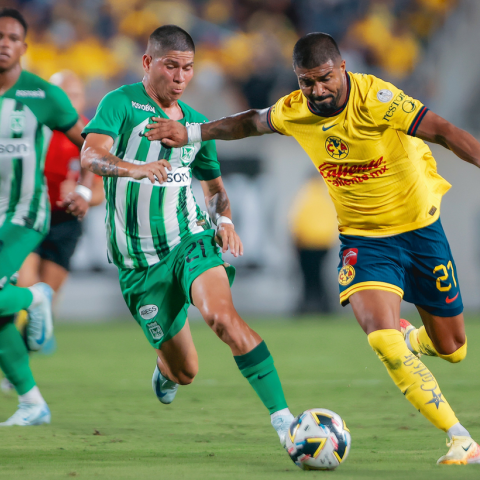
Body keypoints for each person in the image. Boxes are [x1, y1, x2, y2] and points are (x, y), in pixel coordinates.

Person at [147, 33, 480, 465]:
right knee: (381, 338)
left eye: (324, 79)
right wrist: (192, 131)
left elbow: (445, 132)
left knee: (453, 349)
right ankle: (460, 438)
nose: (317, 90)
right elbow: (248, 122)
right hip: (363, 240)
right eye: (306, 82)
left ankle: (413, 339)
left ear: (342, 68)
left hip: (420, 232)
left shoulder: (378, 98)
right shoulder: (296, 110)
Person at [80, 25, 294, 446]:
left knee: (222, 319)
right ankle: (167, 369)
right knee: (186, 371)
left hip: (190, 241)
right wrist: (133, 168)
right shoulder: (120, 104)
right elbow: (91, 155)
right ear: (148, 63)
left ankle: (286, 423)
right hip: (139, 265)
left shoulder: (196, 124)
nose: (180, 77)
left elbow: (214, 190)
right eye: (171, 66)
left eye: (188, 69)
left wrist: (225, 221)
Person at [0, 8, 93, 426]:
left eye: (12, 38)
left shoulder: (42, 96)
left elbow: (93, 144)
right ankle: (32, 403)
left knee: (14, 298)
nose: (4, 43)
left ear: (24, 46)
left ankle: (34, 297)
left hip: (25, 214)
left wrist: (88, 190)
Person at [17, 70, 104, 294]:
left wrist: (80, 193)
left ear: (84, 99)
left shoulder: (93, 136)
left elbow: (99, 193)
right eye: (60, 95)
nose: (66, 101)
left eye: (73, 95)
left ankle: (39, 328)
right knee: (24, 286)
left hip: (65, 221)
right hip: (29, 213)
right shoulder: (32, 127)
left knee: (46, 298)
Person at [289, 176, 337, 314]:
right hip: (324, 242)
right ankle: (325, 305)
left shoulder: (303, 194)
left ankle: (306, 305)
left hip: (306, 242)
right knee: (320, 275)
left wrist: (294, 239)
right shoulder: (326, 194)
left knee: (307, 277)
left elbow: (295, 218)